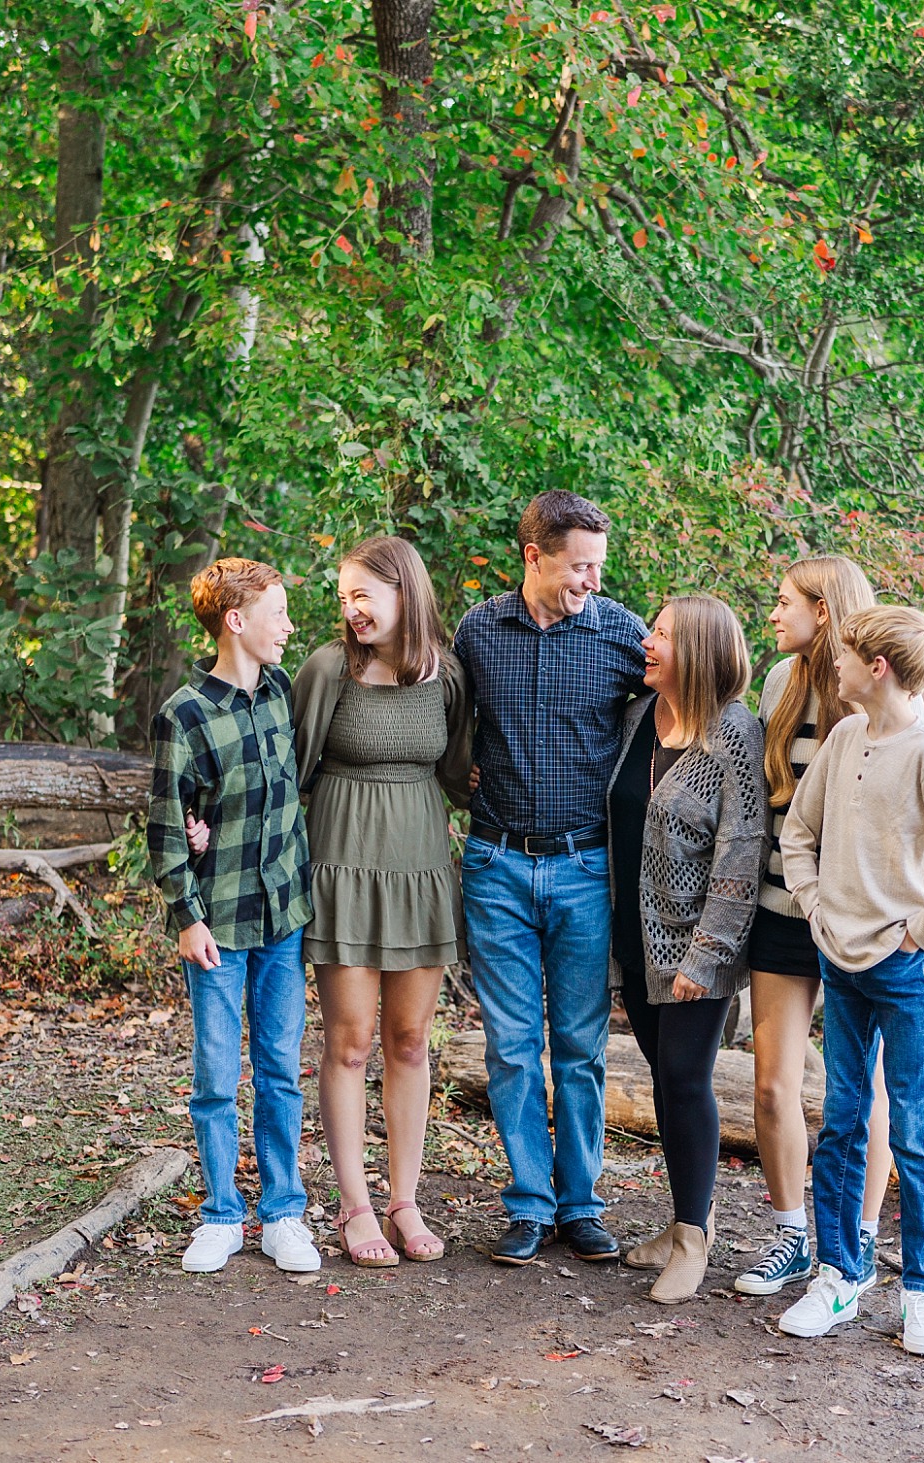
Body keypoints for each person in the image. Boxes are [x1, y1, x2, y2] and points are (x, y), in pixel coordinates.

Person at [774, 606, 924, 1354]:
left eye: (845, 657)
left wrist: (922, 931)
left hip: (905, 969)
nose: (833, 667)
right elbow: (796, 834)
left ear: (877, 668)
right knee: (840, 1119)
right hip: (839, 961)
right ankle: (838, 1273)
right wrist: (814, 905)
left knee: (913, 1130)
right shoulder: (843, 739)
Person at [451, 490, 648, 1265]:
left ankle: (581, 1203)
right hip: (496, 863)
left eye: (599, 567)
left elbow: (683, 711)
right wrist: (451, 775)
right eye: (579, 567)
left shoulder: (623, 635)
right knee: (509, 1044)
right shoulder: (479, 631)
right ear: (533, 556)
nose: (591, 581)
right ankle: (529, 1203)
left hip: (583, 867)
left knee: (579, 1045)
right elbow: (446, 720)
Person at [290, 536, 471, 1267]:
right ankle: (355, 1205)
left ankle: (404, 1198)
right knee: (350, 1040)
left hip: (421, 870)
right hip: (343, 868)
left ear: (406, 593)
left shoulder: (447, 676)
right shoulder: (330, 669)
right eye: (344, 596)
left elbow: (461, 775)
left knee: (408, 1040)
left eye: (364, 594)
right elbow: (289, 773)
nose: (351, 609)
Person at [148, 557, 323, 1277]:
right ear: (236, 621)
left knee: (281, 1069)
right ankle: (222, 1212)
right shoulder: (183, 714)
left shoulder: (280, 690)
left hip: (283, 919)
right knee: (217, 1074)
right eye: (277, 613)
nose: (288, 626)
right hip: (217, 924)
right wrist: (186, 915)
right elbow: (165, 827)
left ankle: (284, 1211)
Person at [735, 557, 895, 1298]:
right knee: (772, 1088)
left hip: (861, 924)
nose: (773, 613)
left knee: (863, 1094)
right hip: (781, 913)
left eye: (784, 601)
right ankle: (793, 1235)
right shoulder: (778, 683)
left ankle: (856, 1245)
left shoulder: (876, 691)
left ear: (824, 610)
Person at [607, 596, 767, 1303]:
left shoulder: (733, 733)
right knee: (665, 1075)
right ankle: (680, 1222)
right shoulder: (641, 716)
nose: (647, 640)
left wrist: (706, 957)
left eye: (663, 634)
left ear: (697, 650)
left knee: (684, 1075)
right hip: (633, 937)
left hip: (696, 944)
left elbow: (742, 849)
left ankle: (695, 1242)